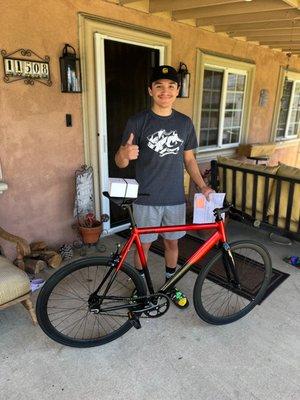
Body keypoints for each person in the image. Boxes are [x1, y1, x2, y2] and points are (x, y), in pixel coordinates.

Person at [115, 65, 214, 308]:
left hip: (174, 197)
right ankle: (139, 289)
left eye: (171, 86)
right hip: (146, 197)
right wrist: (124, 153)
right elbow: (119, 162)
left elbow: (189, 159)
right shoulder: (137, 121)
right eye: (159, 86)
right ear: (150, 90)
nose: (165, 91)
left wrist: (202, 186)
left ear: (177, 90)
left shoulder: (184, 123)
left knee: (172, 243)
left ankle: (170, 285)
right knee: (143, 245)